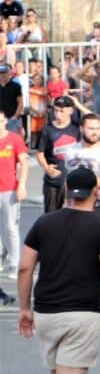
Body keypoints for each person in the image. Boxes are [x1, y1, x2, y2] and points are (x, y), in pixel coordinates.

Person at [17, 167, 100, 374]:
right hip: (82, 315)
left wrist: (24, 309)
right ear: (96, 191)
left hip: (45, 314)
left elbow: (24, 268)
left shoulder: (44, 223)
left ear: (66, 189)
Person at [64, 113, 100, 223]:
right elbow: (68, 180)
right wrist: (65, 202)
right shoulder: (71, 150)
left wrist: (79, 181)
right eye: (91, 128)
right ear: (81, 128)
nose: (95, 132)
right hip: (74, 205)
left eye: (97, 129)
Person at [36, 95, 80, 212]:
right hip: (53, 182)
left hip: (73, 182)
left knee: (71, 217)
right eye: (55, 110)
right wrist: (46, 168)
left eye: (61, 111)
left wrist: (78, 105)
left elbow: (96, 120)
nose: (58, 114)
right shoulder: (47, 129)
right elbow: (40, 153)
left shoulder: (77, 128)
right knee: (51, 217)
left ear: (70, 111)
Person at [0, 110, 28, 280]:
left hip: (9, 189)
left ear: (5, 121)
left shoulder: (14, 139)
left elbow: (24, 163)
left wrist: (21, 186)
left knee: (10, 227)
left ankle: (14, 264)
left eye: (0, 121)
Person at [0, 63, 23, 134]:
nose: (3, 75)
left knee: (13, 138)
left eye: (5, 73)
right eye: (1, 73)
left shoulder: (16, 86)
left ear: (9, 73)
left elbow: (20, 102)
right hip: (0, 120)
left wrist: (15, 116)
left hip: (12, 119)